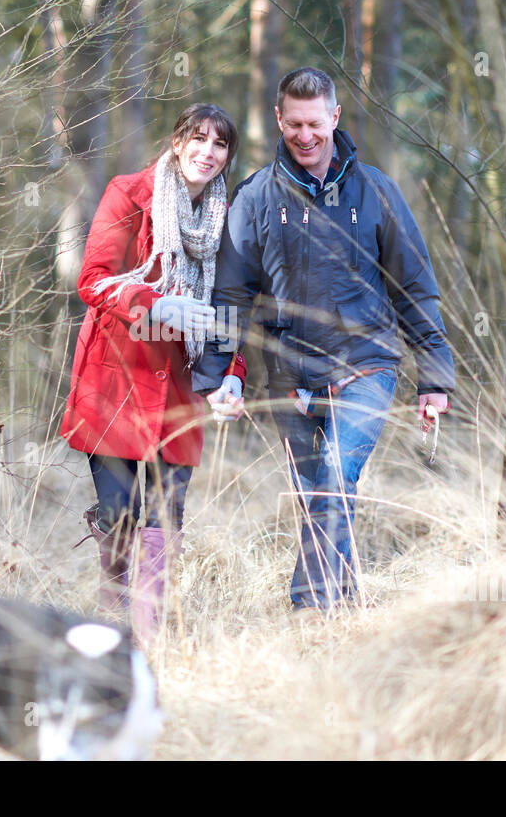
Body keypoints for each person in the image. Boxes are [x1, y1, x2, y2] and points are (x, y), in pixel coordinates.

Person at [194, 67, 455, 611]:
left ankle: (309, 609)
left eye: (316, 123)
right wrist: (219, 375)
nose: (305, 135)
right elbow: (230, 295)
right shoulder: (255, 198)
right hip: (289, 375)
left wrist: (433, 375)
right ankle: (345, 606)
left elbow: (414, 285)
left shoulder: (376, 191)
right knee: (318, 496)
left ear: (335, 118)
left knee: (336, 481)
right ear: (279, 120)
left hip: (366, 367)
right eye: (294, 124)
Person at [60, 104, 246, 642]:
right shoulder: (129, 193)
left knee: (166, 515)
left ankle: (149, 639)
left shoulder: (225, 218)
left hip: (181, 389)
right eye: (199, 139)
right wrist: (152, 304)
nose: (207, 152)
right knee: (119, 517)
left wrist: (232, 373)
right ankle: (113, 626)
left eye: (220, 144)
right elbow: (92, 279)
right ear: (177, 142)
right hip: (116, 380)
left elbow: (230, 308)